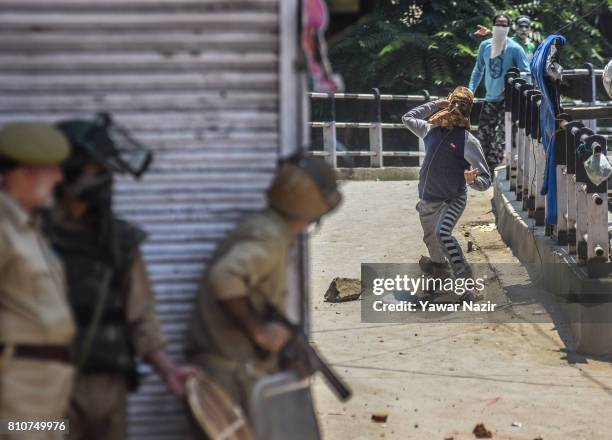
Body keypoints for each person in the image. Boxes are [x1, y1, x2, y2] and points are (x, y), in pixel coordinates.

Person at [43, 114, 195, 440]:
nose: (104, 181)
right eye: (96, 171)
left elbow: (140, 315)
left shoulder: (118, 242)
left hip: (107, 389)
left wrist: (168, 370)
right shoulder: (24, 237)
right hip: (44, 389)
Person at [186, 155, 342, 424]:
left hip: (233, 370)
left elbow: (257, 298)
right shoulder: (270, 237)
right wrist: (260, 332)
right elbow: (224, 277)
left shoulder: (266, 228)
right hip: (231, 376)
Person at [0, 123, 76, 439]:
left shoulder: (30, 228)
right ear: (24, 173)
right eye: (51, 170)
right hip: (18, 387)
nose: (60, 178)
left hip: (49, 387)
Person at [402, 87, 491, 291]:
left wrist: (472, 181)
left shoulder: (468, 141)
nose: (455, 108)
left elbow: (486, 181)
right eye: (453, 102)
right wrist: (434, 104)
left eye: (461, 105)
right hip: (427, 199)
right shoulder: (430, 130)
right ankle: (441, 272)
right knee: (431, 239)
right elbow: (407, 118)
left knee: (443, 233)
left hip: (453, 199)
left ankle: (466, 281)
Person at [469, 13, 530, 170]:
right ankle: (481, 169)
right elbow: (478, 71)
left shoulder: (516, 49)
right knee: (483, 135)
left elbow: (527, 75)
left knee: (502, 137)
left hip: (508, 101)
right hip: (490, 99)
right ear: (493, 26)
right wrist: (470, 90)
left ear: (509, 28)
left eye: (504, 25)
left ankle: (492, 170)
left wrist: (513, 86)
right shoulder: (485, 46)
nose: (501, 27)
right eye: (498, 24)